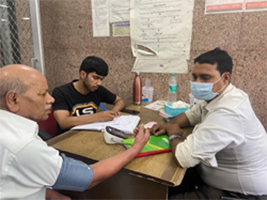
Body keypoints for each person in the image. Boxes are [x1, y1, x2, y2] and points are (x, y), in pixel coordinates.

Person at [0, 64, 150, 200]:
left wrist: (51, 195)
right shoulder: (24, 146)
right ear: (13, 99)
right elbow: (90, 177)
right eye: (42, 94)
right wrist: (136, 147)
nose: (50, 99)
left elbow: (13, 178)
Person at [151, 48, 267, 199]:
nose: (197, 83)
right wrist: (168, 125)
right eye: (194, 77)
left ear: (225, 78)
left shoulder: (229, 111)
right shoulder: (218, 96)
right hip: (212, 174)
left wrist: (173, 134)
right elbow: (190, 115)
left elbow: (183, 158)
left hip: (239, 193)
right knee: (161, 182)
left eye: (205, 78)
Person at [52, 56, 126, 135]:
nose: (99, 83)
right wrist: (98, 117)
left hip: (90, 135)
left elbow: (120, 101)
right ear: (83, 74)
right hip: (66, 139)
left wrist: (113, 112)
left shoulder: (97, 89)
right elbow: (63, 122)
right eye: (95, 78)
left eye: (101, 79)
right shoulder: (61, 92)